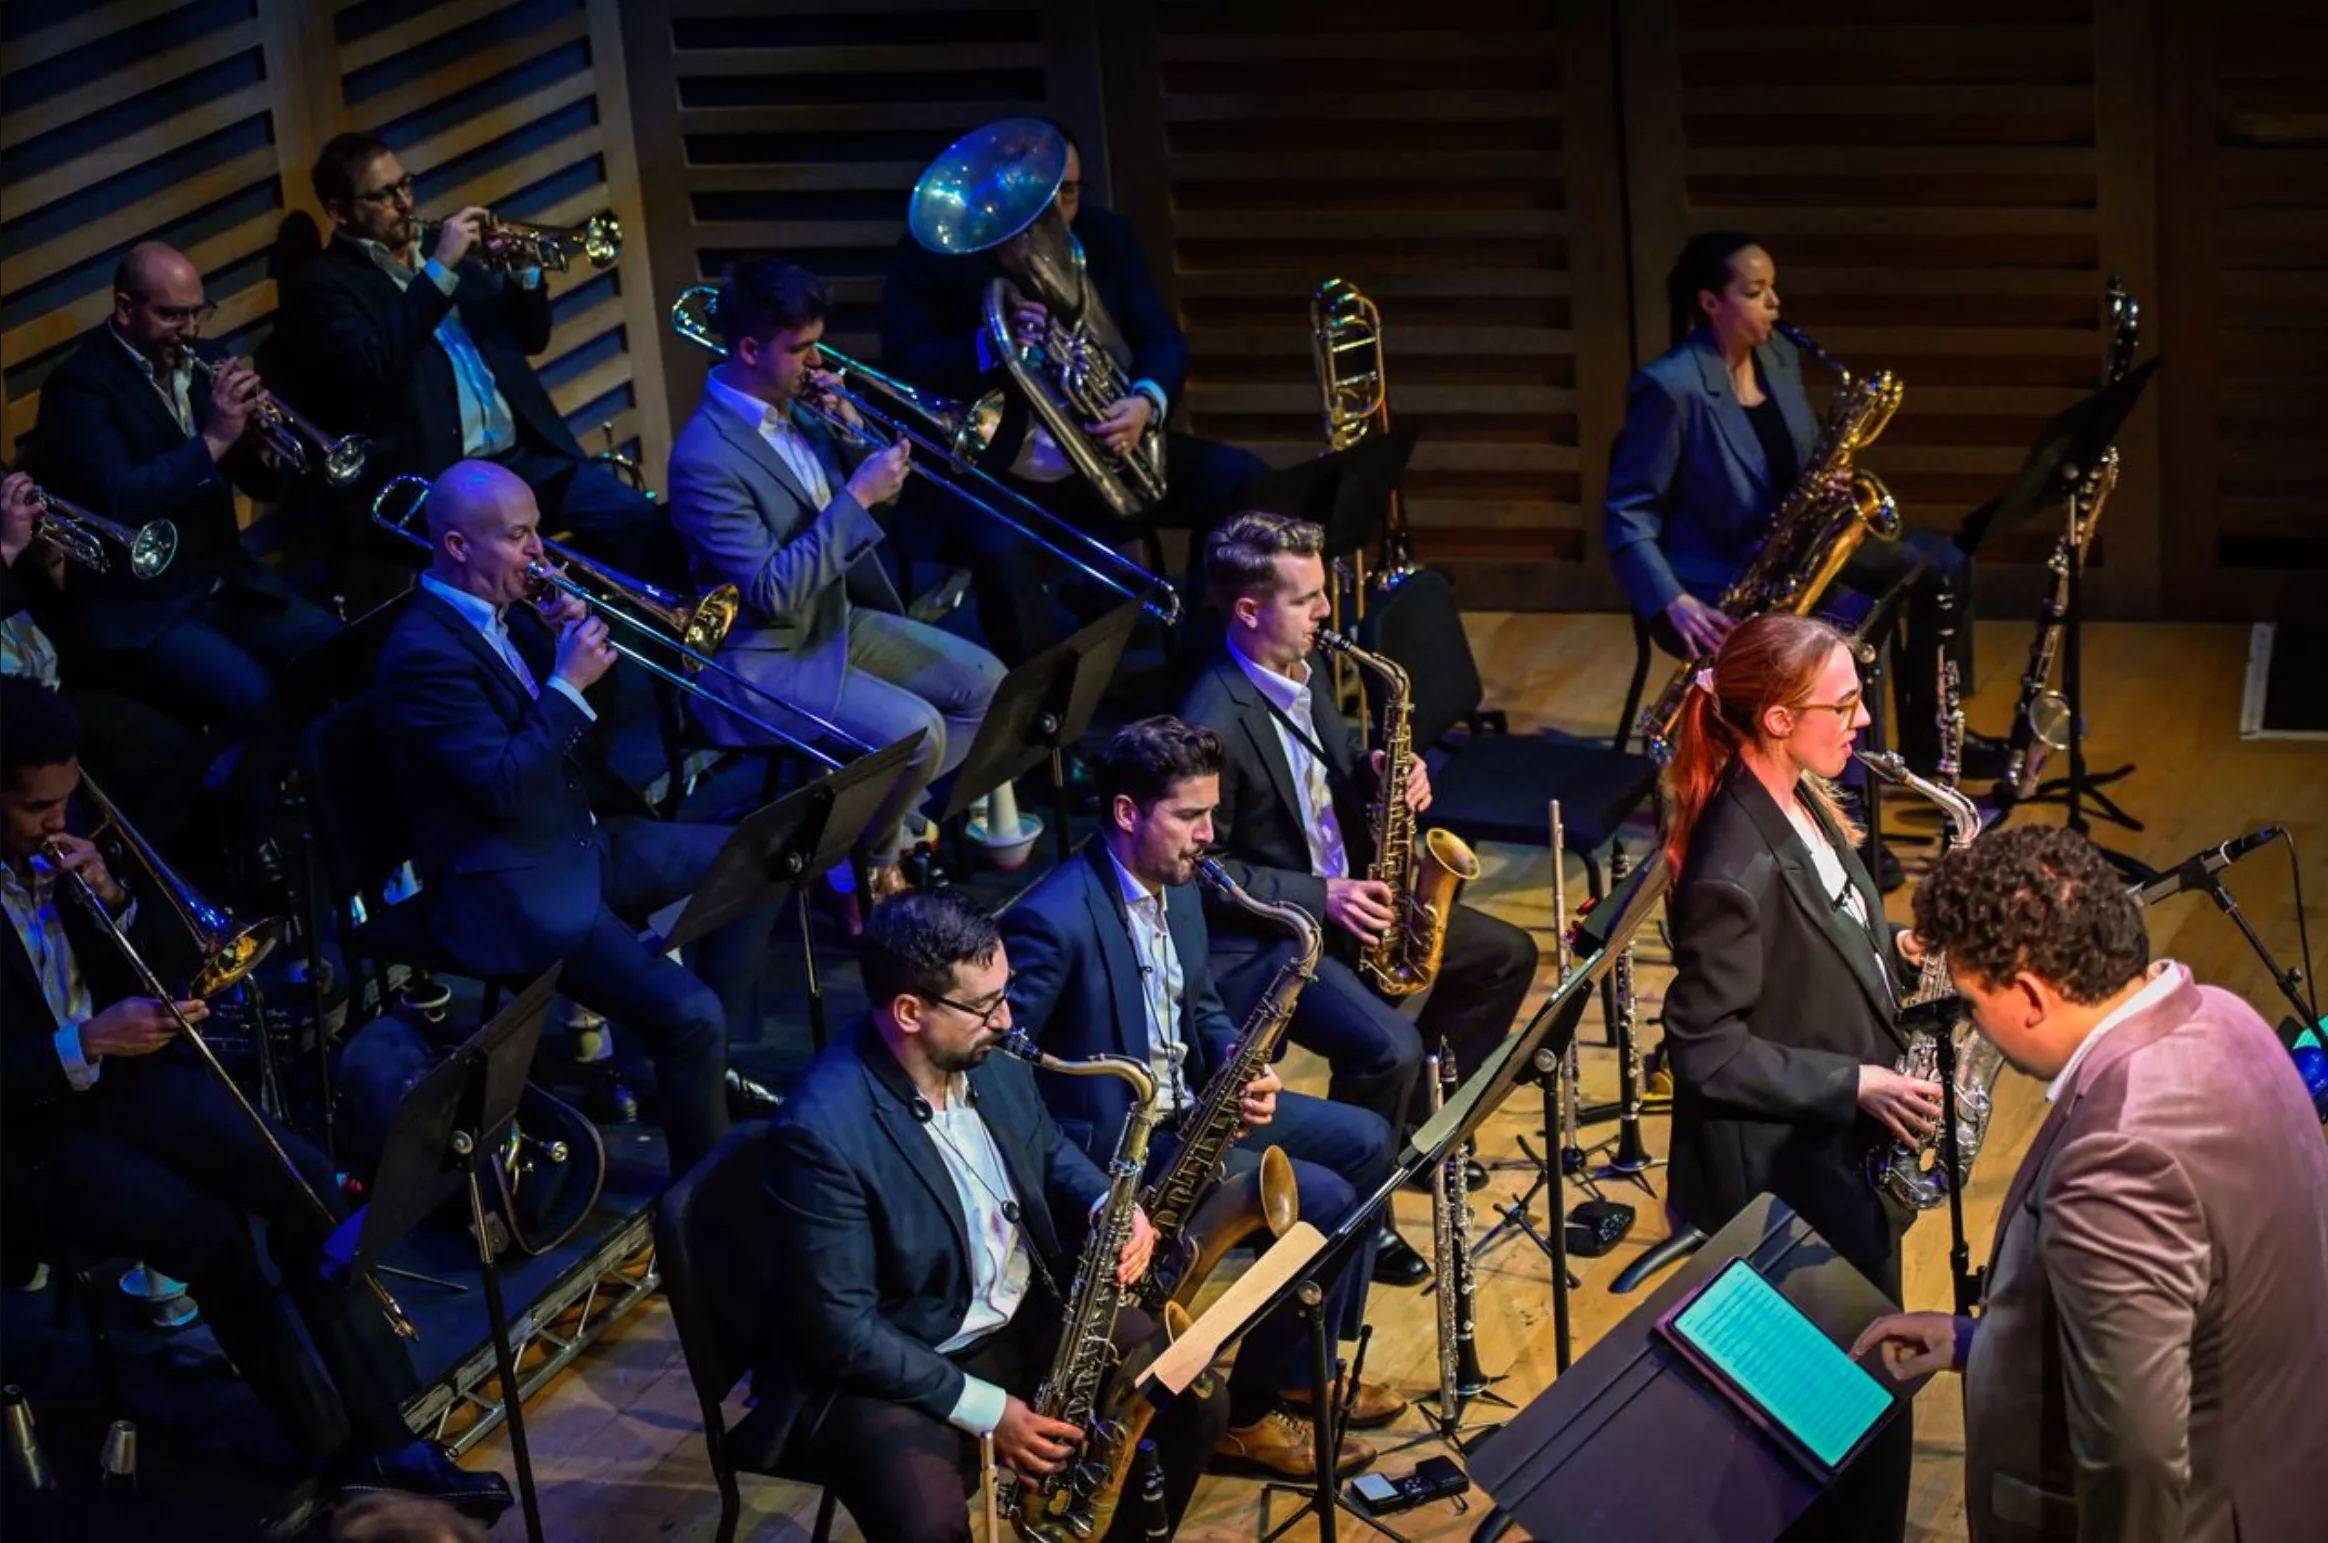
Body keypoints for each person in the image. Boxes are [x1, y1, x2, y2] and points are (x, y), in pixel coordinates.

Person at [0, 677, 511, 1521]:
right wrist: (82, 1042)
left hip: (123, 1078)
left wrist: (117, 903)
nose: (56, 822)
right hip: (34, 1131)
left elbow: (150, 963)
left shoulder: (66, 840)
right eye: (32, 807)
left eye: (65, 800)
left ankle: (393, 1439)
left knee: (312, 1190)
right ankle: (336, 1451)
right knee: (209, 1238)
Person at [1854, 826, 2328, 1543]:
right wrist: (1980, 1342)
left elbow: (2135, 1453)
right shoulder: (2227, 1016)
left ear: (2030, 995)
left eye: (1975, 1008)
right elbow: (2185, 1313)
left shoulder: (2121, 1153)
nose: (1976, 1032)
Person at [759, 888, 1230, 1543]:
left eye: (1004, 993)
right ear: (909, 1011)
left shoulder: (986, 1052)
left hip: (1020, 1312)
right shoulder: (821, 1132)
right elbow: (842, 1331)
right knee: (928, 1524)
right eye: (985, 1005)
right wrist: (990, 1411)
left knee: (1193, 1396)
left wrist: (1105, 1199)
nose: (1008, 1017)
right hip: (904, 1358)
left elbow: (1042, 1142)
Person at [1001, 715, 1399, 1479]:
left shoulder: (1178, 883)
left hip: (1191, 1110)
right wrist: (1097, 1194)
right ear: (1126, 812)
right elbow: (1007, 1073)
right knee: (1321, 1197)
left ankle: (1284, 1370)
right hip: (1122, 1153)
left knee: (1370, 1142)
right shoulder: (1050, 921)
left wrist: (1237, 1064)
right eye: (1190, 815)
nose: (1208, 834)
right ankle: (1242, 1418)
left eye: (1212, 813)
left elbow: (1204, 1005)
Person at [371, 460, 782, 1175]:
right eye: (520, 537)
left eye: (537, 532)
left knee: (765, 852)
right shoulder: (423, 656)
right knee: (690, 1016)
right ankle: (704, 1199)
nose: (541, 555)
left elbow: (582, 744)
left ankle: (703, 1064)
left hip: (576, 838)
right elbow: (501, 789)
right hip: (511, 882)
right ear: (460, 547)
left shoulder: (507, 613)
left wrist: (585, 657)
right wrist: (566, 682)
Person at [1181, 510, 1536, 1283]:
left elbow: (1324, 772)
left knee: (1507, 956)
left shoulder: (1300, 675)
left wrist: (1383, 776)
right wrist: (1325, 894)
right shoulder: (1208, 718)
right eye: (1307, 600)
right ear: (1248, 610)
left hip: (1351, 899)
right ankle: (1355, 1216)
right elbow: (1204, 867)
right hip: (1271, 937)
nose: (1325, 615)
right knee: (1388, 1046)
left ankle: (1406, 1138)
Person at [1658, 610, 1938, 1540]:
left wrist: (1891, 950)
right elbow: (1704, 1049)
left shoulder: (1807, 798)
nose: (1863, 721)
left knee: (1869, 1406)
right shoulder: (1732, 862)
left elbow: (1823, 941)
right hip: (1779, 1187)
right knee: (1828, 1439)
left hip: (1837, 1164)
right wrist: (1856, 1083)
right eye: (1845, 703)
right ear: (1777, 717)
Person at [665, 258, 1004, 896]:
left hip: (834, 619)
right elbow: (771, 594)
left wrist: (852, 436)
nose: (817, 362)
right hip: (765, 655)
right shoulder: (703, 459)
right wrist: (858, 497)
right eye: (800, 349)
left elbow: (859, 507)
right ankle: (877, 868)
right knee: (918, 733)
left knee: (987, 686)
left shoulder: (795, 405)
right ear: (746, 349)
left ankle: (863, 840)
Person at [1604, 230, 1993, 777]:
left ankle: (1935, 738)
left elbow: (1804, 453)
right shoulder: (1670, 389)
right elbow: (1627, 515)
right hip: (1716, 586)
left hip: (1799, 548)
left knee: (1941, 565)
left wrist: (1830, 480)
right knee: (1852, 630)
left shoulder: (1778, 357)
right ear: (1711, 302)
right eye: (1757, 291)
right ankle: (1851, 793)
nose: (1774, 304)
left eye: (1773, 288)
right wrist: (1672, 600)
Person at [880, 117, 1264, 662]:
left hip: (1109, 454)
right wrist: (990, 347)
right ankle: (1051, 728)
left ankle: (1208, 662)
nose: (1058, 209)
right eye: (1042, 193)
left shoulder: (1107, 237)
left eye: (1068, 191)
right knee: (998, 548)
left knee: (1241, 481)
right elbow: (906, 361)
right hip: (1005, 469)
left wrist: (1144, 403)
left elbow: (1162, 340)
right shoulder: (937, 258)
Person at [28, 242, 341, 863]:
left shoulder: (200, 366)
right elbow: (120, 497)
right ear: (125, 308)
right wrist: (218, 435)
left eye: (199, 312)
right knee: (255, 697)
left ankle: (317, 815)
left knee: (334, 649)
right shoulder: (79, 389)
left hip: (221, 582)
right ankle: (238, 844)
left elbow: (260, 483)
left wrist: (265, 444)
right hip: (140, 606)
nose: (191, 330)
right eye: (173, 315)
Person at [280, 132, 667, 579]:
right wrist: (439, 268)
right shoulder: (323, 285)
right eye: (383, 195)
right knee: (521, 581)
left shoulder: (449, 258)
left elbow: (530, 338)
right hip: (448, 483)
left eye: (405, 185)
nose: (404, 203)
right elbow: (374, 368)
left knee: (637, 518)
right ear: (339, 212)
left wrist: (524, 271)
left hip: (522, 460)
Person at [0, 470, 204, 854]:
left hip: (58, 674)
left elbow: (65, 610)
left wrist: (50, 559)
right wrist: (7, 550)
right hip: (13, 716)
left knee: (175, 745)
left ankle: (135, 870)